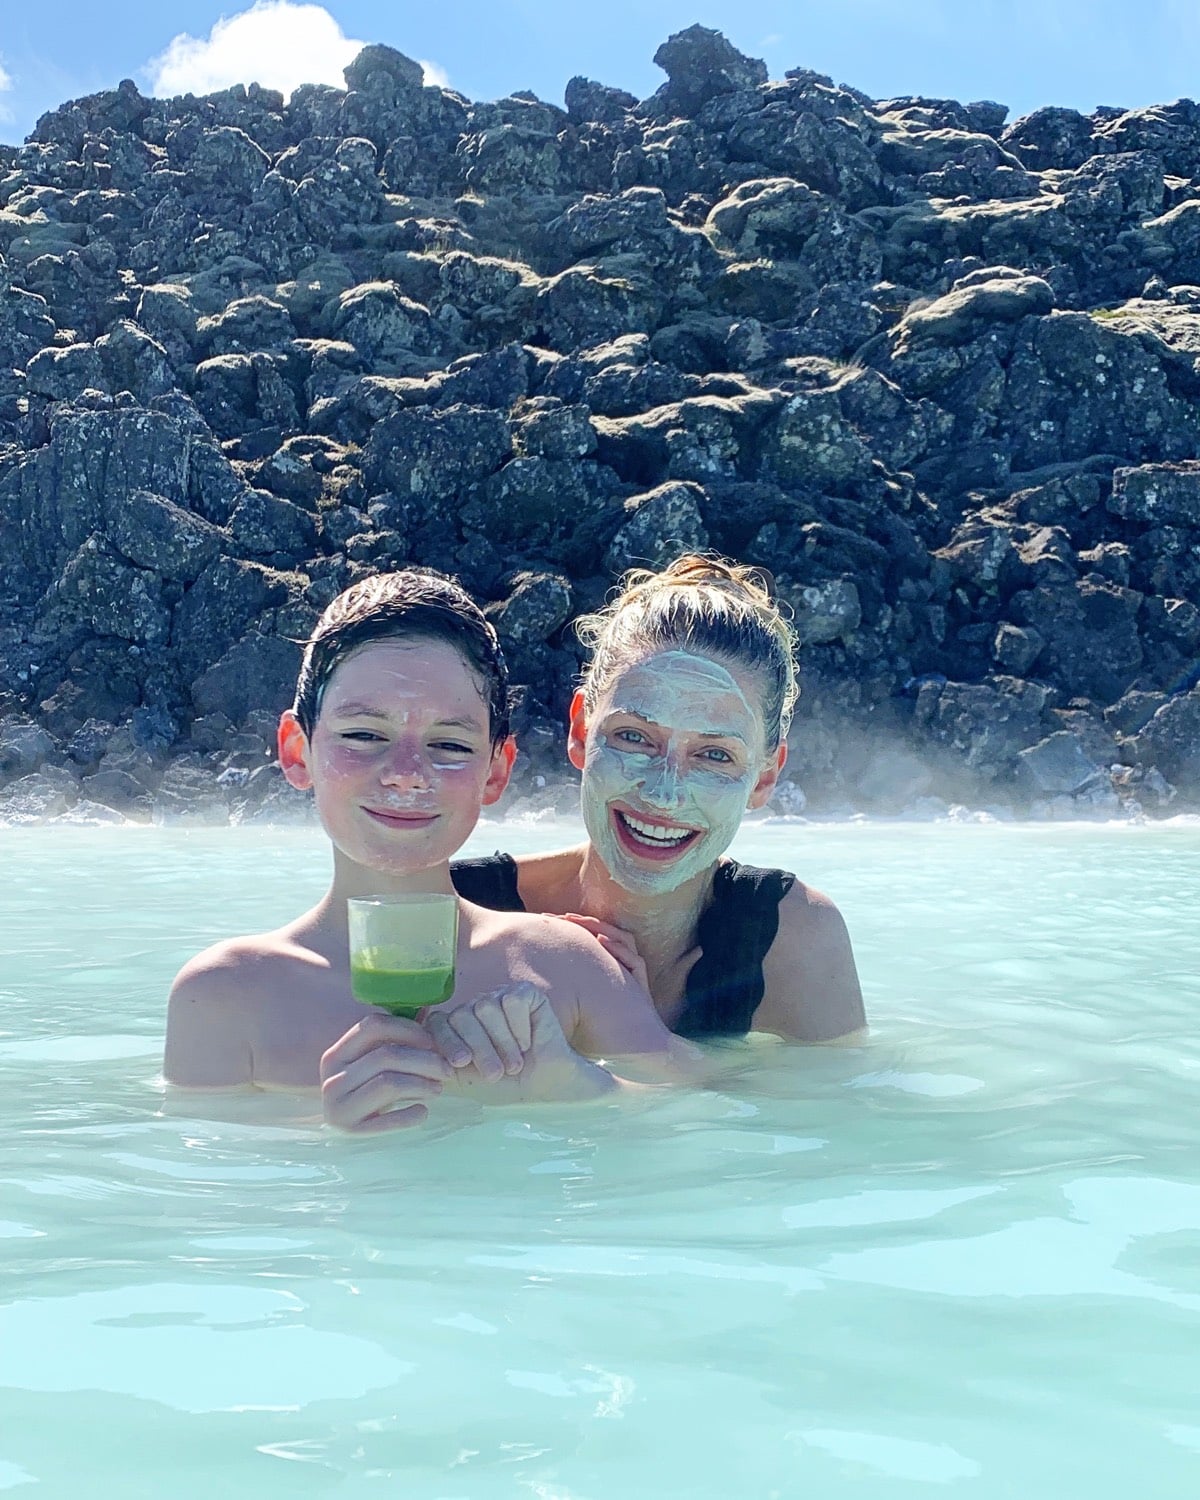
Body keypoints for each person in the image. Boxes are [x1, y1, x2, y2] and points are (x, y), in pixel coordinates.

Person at [163, 569, 695, 1132]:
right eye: (365, 735)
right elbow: (206, 1196)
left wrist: (576, 1084)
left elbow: (705, 1113)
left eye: (448, 744)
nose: (406, 776)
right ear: (298, 751)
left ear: (496, 770)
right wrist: (323, 1133)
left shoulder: (563, 964)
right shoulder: (225, 995)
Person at [448, 555, 866, 1046]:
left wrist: (632, 1033)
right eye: (634, 737)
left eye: (714, 754)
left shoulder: (792, 941)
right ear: (581, 731)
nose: (665, 793)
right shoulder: (454, 912)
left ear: (764, 776)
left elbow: (845, 1113)